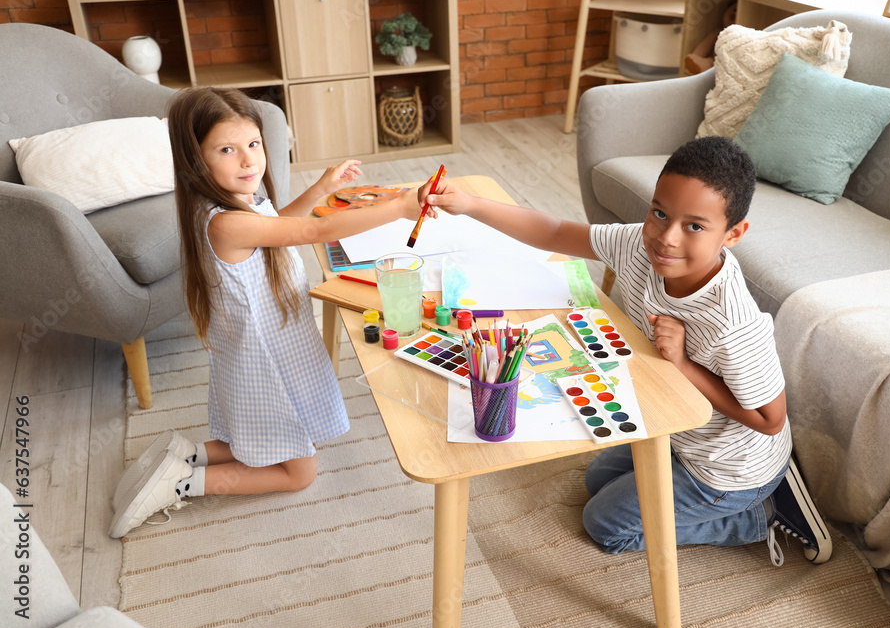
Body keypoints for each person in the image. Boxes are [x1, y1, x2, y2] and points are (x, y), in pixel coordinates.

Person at [422, 136, 832, 565]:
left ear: (733, 234)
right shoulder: (639, 243)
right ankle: (747, 493)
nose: (666, 238)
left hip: (729, 469)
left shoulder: (734, 325)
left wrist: (684, 365)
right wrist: (471, 205)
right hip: (681, 435)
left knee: (604, 524)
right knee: (596, 477)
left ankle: (760, 513)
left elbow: (771, 419)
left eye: (694, 226)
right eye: (659, 213)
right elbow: (556, 232)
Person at [109, 87, 427, 539]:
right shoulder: (226, 220)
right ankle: (182, 483)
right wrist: (398, 206)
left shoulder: (231, 207)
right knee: (300, 473)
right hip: (268, 362)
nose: (248, 160)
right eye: (227, 149)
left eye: (253, 145)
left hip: (268, 348)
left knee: (267, 437)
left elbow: (277, 227)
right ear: (196, 160)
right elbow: (315, 229)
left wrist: (322, 186)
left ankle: (190, 452)